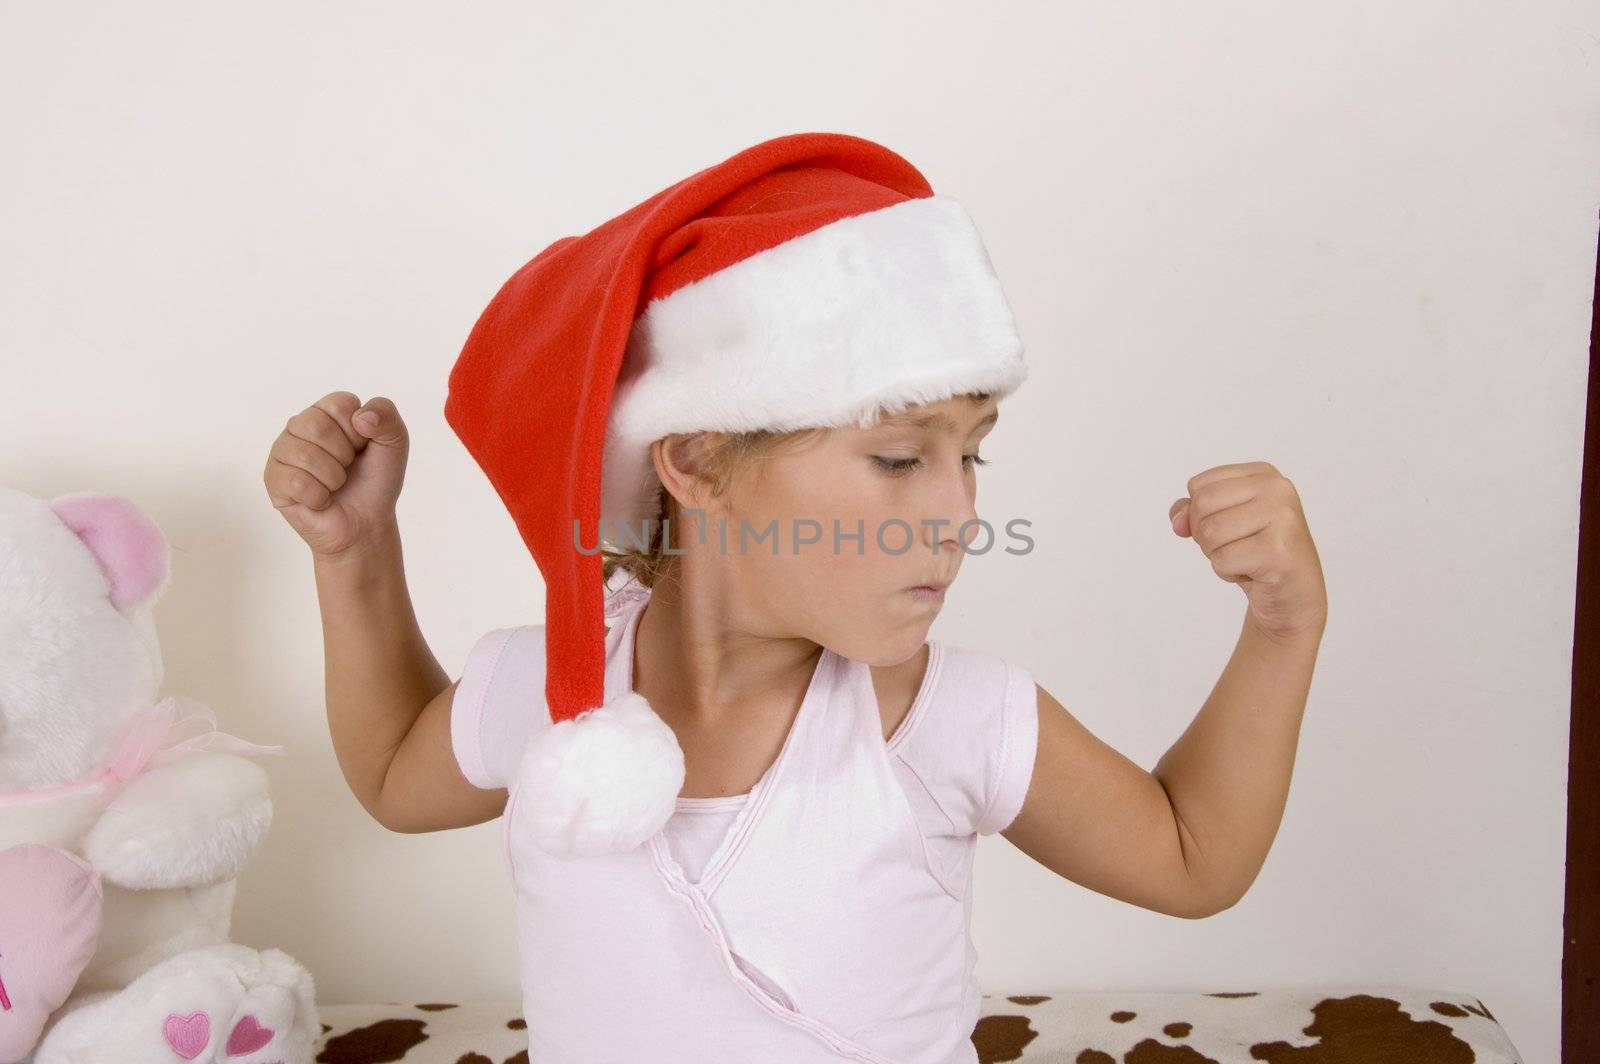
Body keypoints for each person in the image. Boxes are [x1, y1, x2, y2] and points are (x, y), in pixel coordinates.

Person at [262, 131, 1327, 1063]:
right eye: (902, 457)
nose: (955, 513)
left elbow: (1193, 858)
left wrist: (1282, 626)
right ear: (694, 458)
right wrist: (355, 553)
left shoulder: (941, 719)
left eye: (973, 461)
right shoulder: (556, 698)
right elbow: (400, 773)